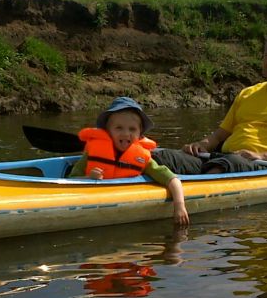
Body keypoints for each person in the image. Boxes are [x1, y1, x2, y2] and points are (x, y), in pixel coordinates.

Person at [154, 30, 267, 174]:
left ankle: (190, 198)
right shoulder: (248, 93)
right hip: (222, 158)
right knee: (163, 157)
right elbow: (218, 136)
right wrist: (201, 145)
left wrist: (262, 156)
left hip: (262, 165)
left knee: (226, 164)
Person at [69, 96, 190, 226]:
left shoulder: (142, 160)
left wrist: (179, 206)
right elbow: (71, 179)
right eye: (119, 128)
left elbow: (173, 180)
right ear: (107, 131)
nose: (126, 134)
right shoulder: (90, 155)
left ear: (139, 135)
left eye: (132, 129)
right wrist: (89, 178)